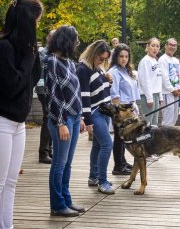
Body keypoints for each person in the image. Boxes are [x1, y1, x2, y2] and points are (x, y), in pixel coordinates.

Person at [0, 0, 43, 228]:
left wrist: (32, 54)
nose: (38, 25)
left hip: (18, 123)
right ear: (27, 20)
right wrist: (30, 58)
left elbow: (32, 80)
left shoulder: (25, 49)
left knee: (11, 181)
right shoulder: (2, 47)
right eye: (37, 20)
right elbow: (13, 86)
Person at [45, 25, 86, 217]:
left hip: (75, 117)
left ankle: (66, 199)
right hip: (61, 119)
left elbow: (75, 92)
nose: (77, 43)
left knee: (68, 162)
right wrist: (61, 123)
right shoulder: (51, 61)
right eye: (75, 39)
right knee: (59, 163)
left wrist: (82, 117)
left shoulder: (70, 63)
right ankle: (57, 205)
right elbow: (53, 96)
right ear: (66, 40)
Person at [77, 40, 115, 195]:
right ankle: (102, 181)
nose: (102, 62)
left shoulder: (96, 68)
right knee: (107, 144)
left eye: (105, 59)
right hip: (95, 112)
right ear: (93, 54)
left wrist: (108, 81)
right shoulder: (83, 69)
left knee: (98, 146)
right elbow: (84, 96)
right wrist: (88, 120)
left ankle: (94, 176)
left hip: (104, 110)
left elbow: (101, 90)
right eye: (101, 58)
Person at [108, 44, 140, 175]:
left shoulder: (126, 70)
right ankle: (118, 166)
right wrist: (121, 113)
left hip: (130, 108)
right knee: (119, 137)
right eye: (121, 56)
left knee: (125, 138)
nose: (124, 59)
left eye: (126, 56)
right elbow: (114, 95)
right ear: (116, 57)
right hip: (120, 110)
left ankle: (123, 161)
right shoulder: (114, 72)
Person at [36, 30, 56, 164]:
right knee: (48, 117)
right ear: (49, 38)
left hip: (52, 90)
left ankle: (49, 150)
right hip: (44, 90)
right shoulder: (43, 53)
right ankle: (43, 152)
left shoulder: (55, 53)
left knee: (52, 118)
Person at [159, 38, 180, 126]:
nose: (172, 47)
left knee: (175, 116)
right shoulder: (162, 59)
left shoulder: (176, 60)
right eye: (171, 45)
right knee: (168, 117)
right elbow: (164, 77)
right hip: (167, 92)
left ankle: (171, 137)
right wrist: (172, 90)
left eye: (174, 45)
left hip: (177, 92)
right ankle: (164, 137)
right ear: (166, 46)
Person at [138, 37, 162, 126]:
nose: (155, 48)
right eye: (153, 46)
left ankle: (153, 140)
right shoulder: (145, 61)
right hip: (147, 95)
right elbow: (145, 81)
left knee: (154, 123)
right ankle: (144, 140)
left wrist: (160, 96)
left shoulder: (155, 60)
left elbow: (158, 79)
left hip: (155, 94)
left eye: (157, 46)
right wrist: (149, 98)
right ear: (147, 46)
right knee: (148, 122)